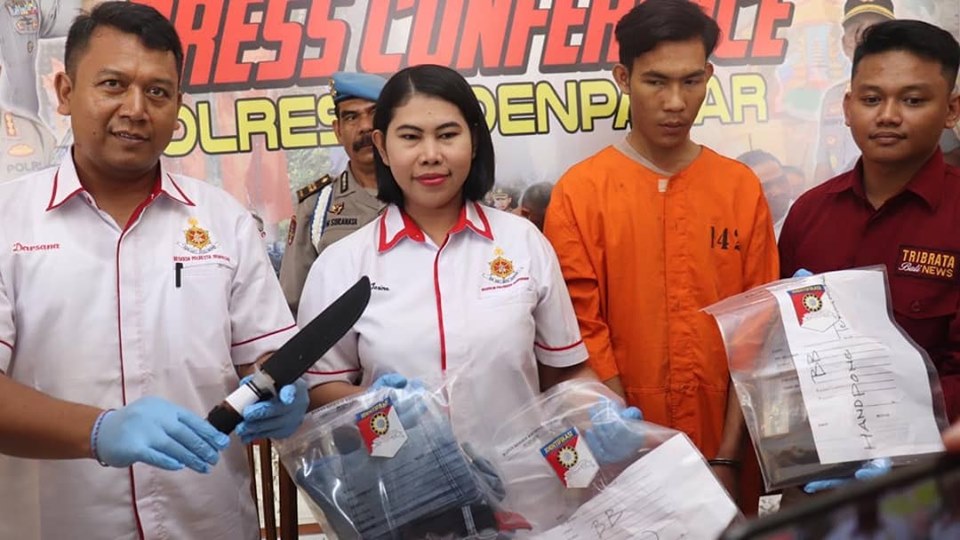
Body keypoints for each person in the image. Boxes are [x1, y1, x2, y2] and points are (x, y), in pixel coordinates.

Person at [0, 3, 308, 538]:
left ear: (178, 106)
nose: (136, 108)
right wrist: (98, 431)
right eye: (113, 84)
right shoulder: (7, 221)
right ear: (65, 93)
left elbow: (263, 351)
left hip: (208, 523)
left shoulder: (224, 221)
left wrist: (283, 388)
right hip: (57, 525)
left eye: (158, 92)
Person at [299, 63, 638, 467]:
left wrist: (599, 412)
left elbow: (564, 372)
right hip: (406, 494)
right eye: (410, 137)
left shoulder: (523, 242)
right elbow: (319, 390)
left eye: (447, 135)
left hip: (529, 492)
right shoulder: (342, 265)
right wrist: (377, 407)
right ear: (383, 146)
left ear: (473, 141)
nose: (431, 155)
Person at [543, 0, 779, 510]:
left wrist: (726, 457)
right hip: (618, 458)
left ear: (709, 76)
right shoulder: (580, 193)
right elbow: (581, 331)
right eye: (656, 82)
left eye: (691, 81)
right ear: (624, 78)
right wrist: (630, 448)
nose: (675, 101)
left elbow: (753, 331)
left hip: (724, 453)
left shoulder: (739, 188)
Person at [780, 19, 960, 423]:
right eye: (871, 99)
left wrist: (889, 427)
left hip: (939, 470)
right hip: (822, 467)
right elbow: (780, 355)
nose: (888, 116)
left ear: (951, 110)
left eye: (913, 100)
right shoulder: (809, 214)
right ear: (847, 108)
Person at [278, 71, 386, 317]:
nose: (365, 127)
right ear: (337, 130)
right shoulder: (317, 208)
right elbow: (293, 302)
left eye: (374, 114)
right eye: (351, 117)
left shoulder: (422, 198)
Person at [813, 0, 896, 183]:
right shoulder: (833, 97)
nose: (864, 38)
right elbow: (824, 165)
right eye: (856, 30)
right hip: (845, 203)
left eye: (876, 30)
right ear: (844, 44)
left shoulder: (915, 91)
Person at [737, 150, 793, 237]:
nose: (778, 191)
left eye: (781, 181)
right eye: (766, 186)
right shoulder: (734, 230)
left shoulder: (807, 219)